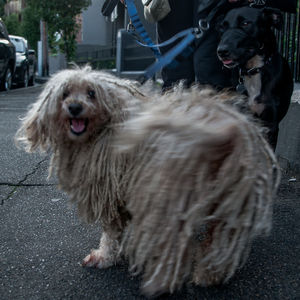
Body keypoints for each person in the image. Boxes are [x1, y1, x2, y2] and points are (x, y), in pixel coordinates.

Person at [121, 0, 297, 89]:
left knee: (211, 75)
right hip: (171, 6)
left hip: (213, 4)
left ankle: (217, 147)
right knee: (176, 81)